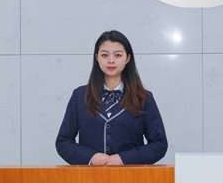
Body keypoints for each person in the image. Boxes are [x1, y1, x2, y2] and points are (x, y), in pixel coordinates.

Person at [56, 30, 168, 165]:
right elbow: (63, 141)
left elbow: (159, 144)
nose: (111, 60)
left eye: (118, 55)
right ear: (97, 58)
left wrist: (124, 158)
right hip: (89, 175)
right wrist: (91, 157)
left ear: (127, 58)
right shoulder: (80, 95)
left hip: (131, 175)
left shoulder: (144, 97)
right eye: (104, 55)